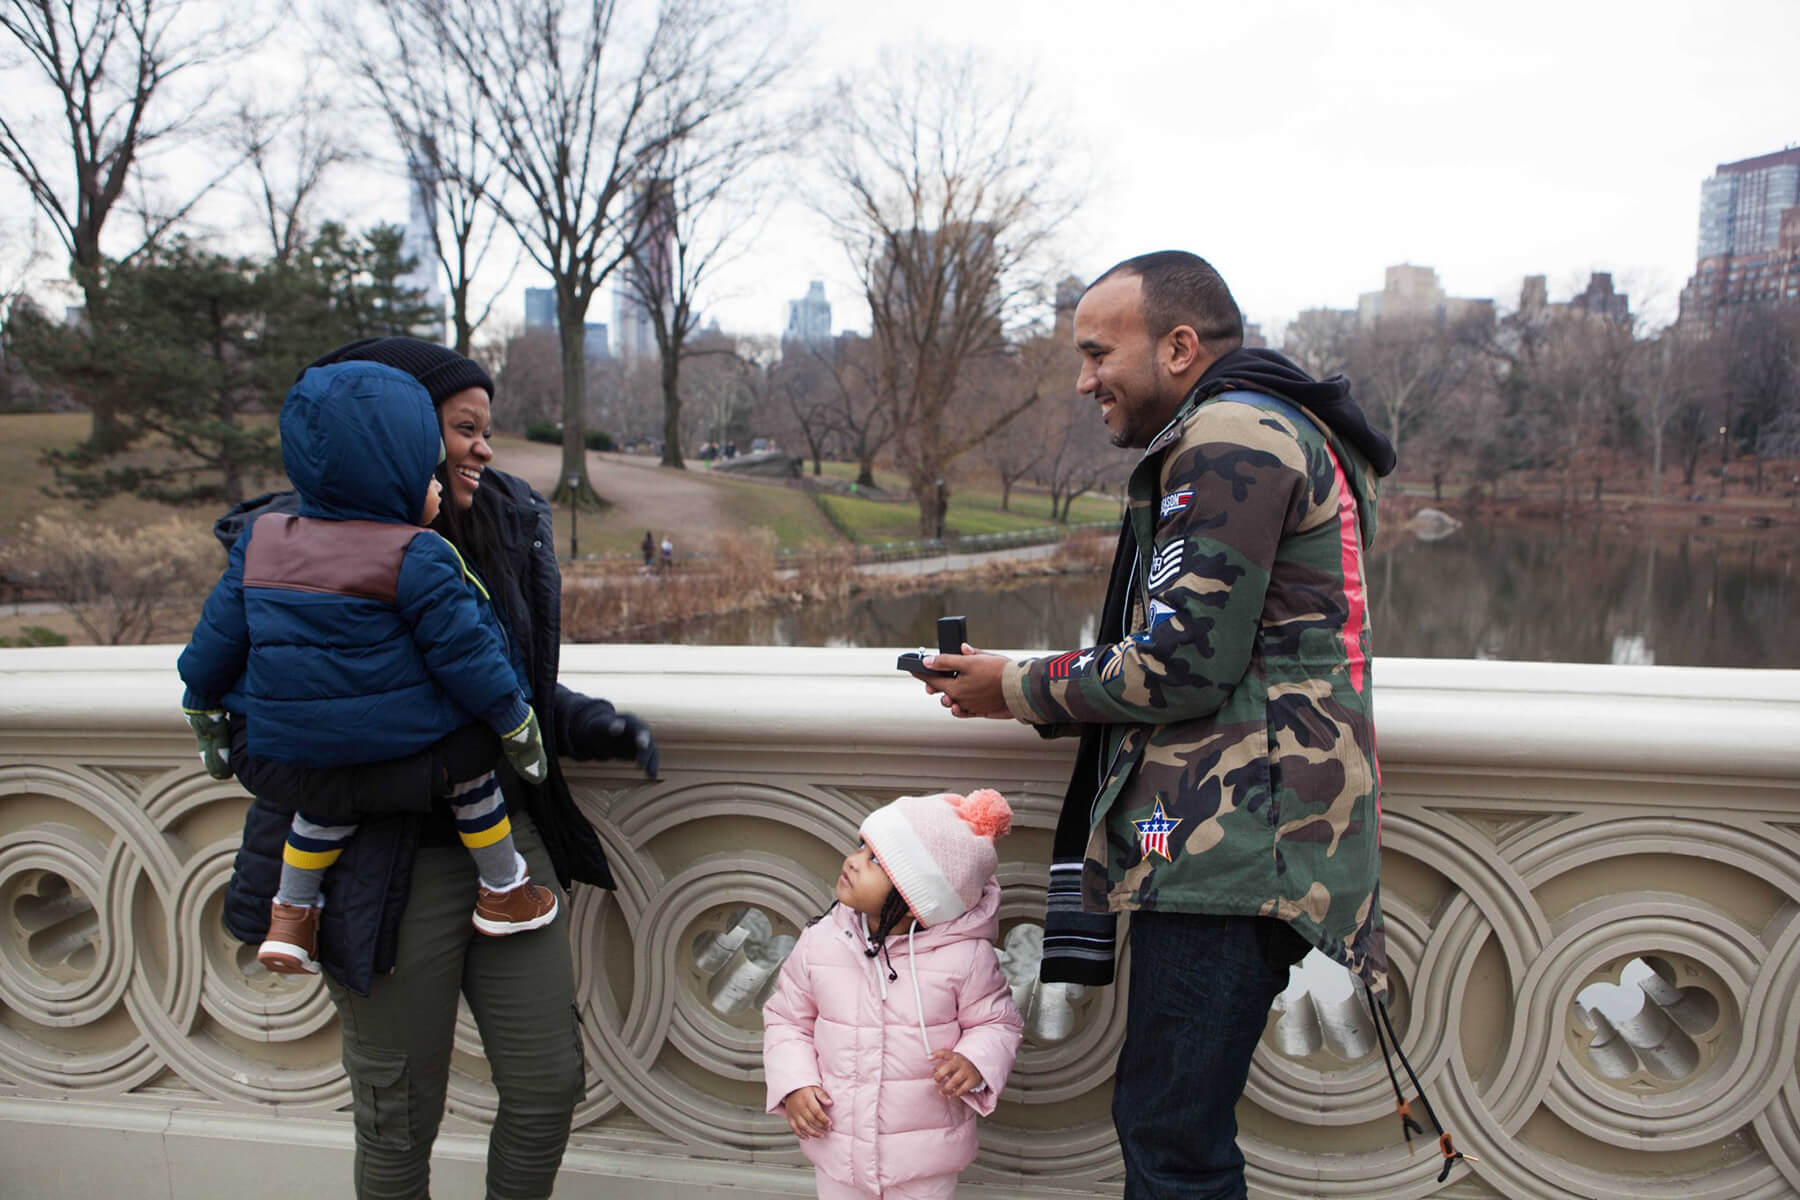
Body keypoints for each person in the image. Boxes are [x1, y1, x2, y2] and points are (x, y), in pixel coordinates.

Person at [919, 252, 1462, 1197]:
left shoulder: (1232, 437)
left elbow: (1180, 662)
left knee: (1172, 1141)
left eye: (1098, 353)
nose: (1084, 379)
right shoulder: (1266, 423)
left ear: (1178, 346)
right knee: (1173, 1125)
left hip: (1239, 850)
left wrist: (1015, 684)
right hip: (1248, 836)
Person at [214, 336, 661, 1200]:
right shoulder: (285, 551)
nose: (484, 449)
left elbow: (503, 683)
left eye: (485, 430)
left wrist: (585, 724)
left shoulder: (503, 524)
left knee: (548, 1085)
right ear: (399, 433)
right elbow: (252, 737)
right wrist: (421, 773)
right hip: (377, 872)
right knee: (399, 1119)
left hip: (506, 847)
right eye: (464, 429)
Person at [179, 361, 559, 976]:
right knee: (473, 777)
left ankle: (290, 916)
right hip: (402, 745)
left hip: (299, 749)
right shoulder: (417, 552)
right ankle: (505, 890)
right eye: (425, 470)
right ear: (394, 474)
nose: (435, 484)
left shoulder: (264, 539)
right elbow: (467, 657)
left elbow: (216, 639)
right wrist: (515, 721)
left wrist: (202, 708)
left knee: (318, 810)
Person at [762, 789, 1024, 1199]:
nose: (852, 860)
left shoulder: (965, 957)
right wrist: (794, 1083)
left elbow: (997, 1022)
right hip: (838, 1146)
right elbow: (786, 1020)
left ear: (916, 895)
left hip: (924, 1159)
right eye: (861, 848)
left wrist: (975, 1060)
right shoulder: (820, 942)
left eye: (875, 862)